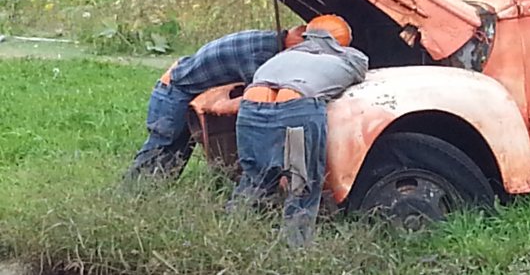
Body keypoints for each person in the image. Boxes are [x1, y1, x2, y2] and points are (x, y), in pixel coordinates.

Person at [232, 14, 368, 247]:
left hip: (250, 111)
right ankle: (294, 250)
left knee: (254, 180)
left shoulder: (281, 57)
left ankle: (231, 236)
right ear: (343, 41)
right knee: (300, 186)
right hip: (295, 112)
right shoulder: (352, 57)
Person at [126, 26, 306, 180]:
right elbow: (257, 102)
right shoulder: (261, 54)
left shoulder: (267, 39)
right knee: (160, 150)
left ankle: (148, 196)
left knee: (176, 156)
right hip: (173, 90)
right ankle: (131, 193)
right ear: (295, 41)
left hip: (185, 87)